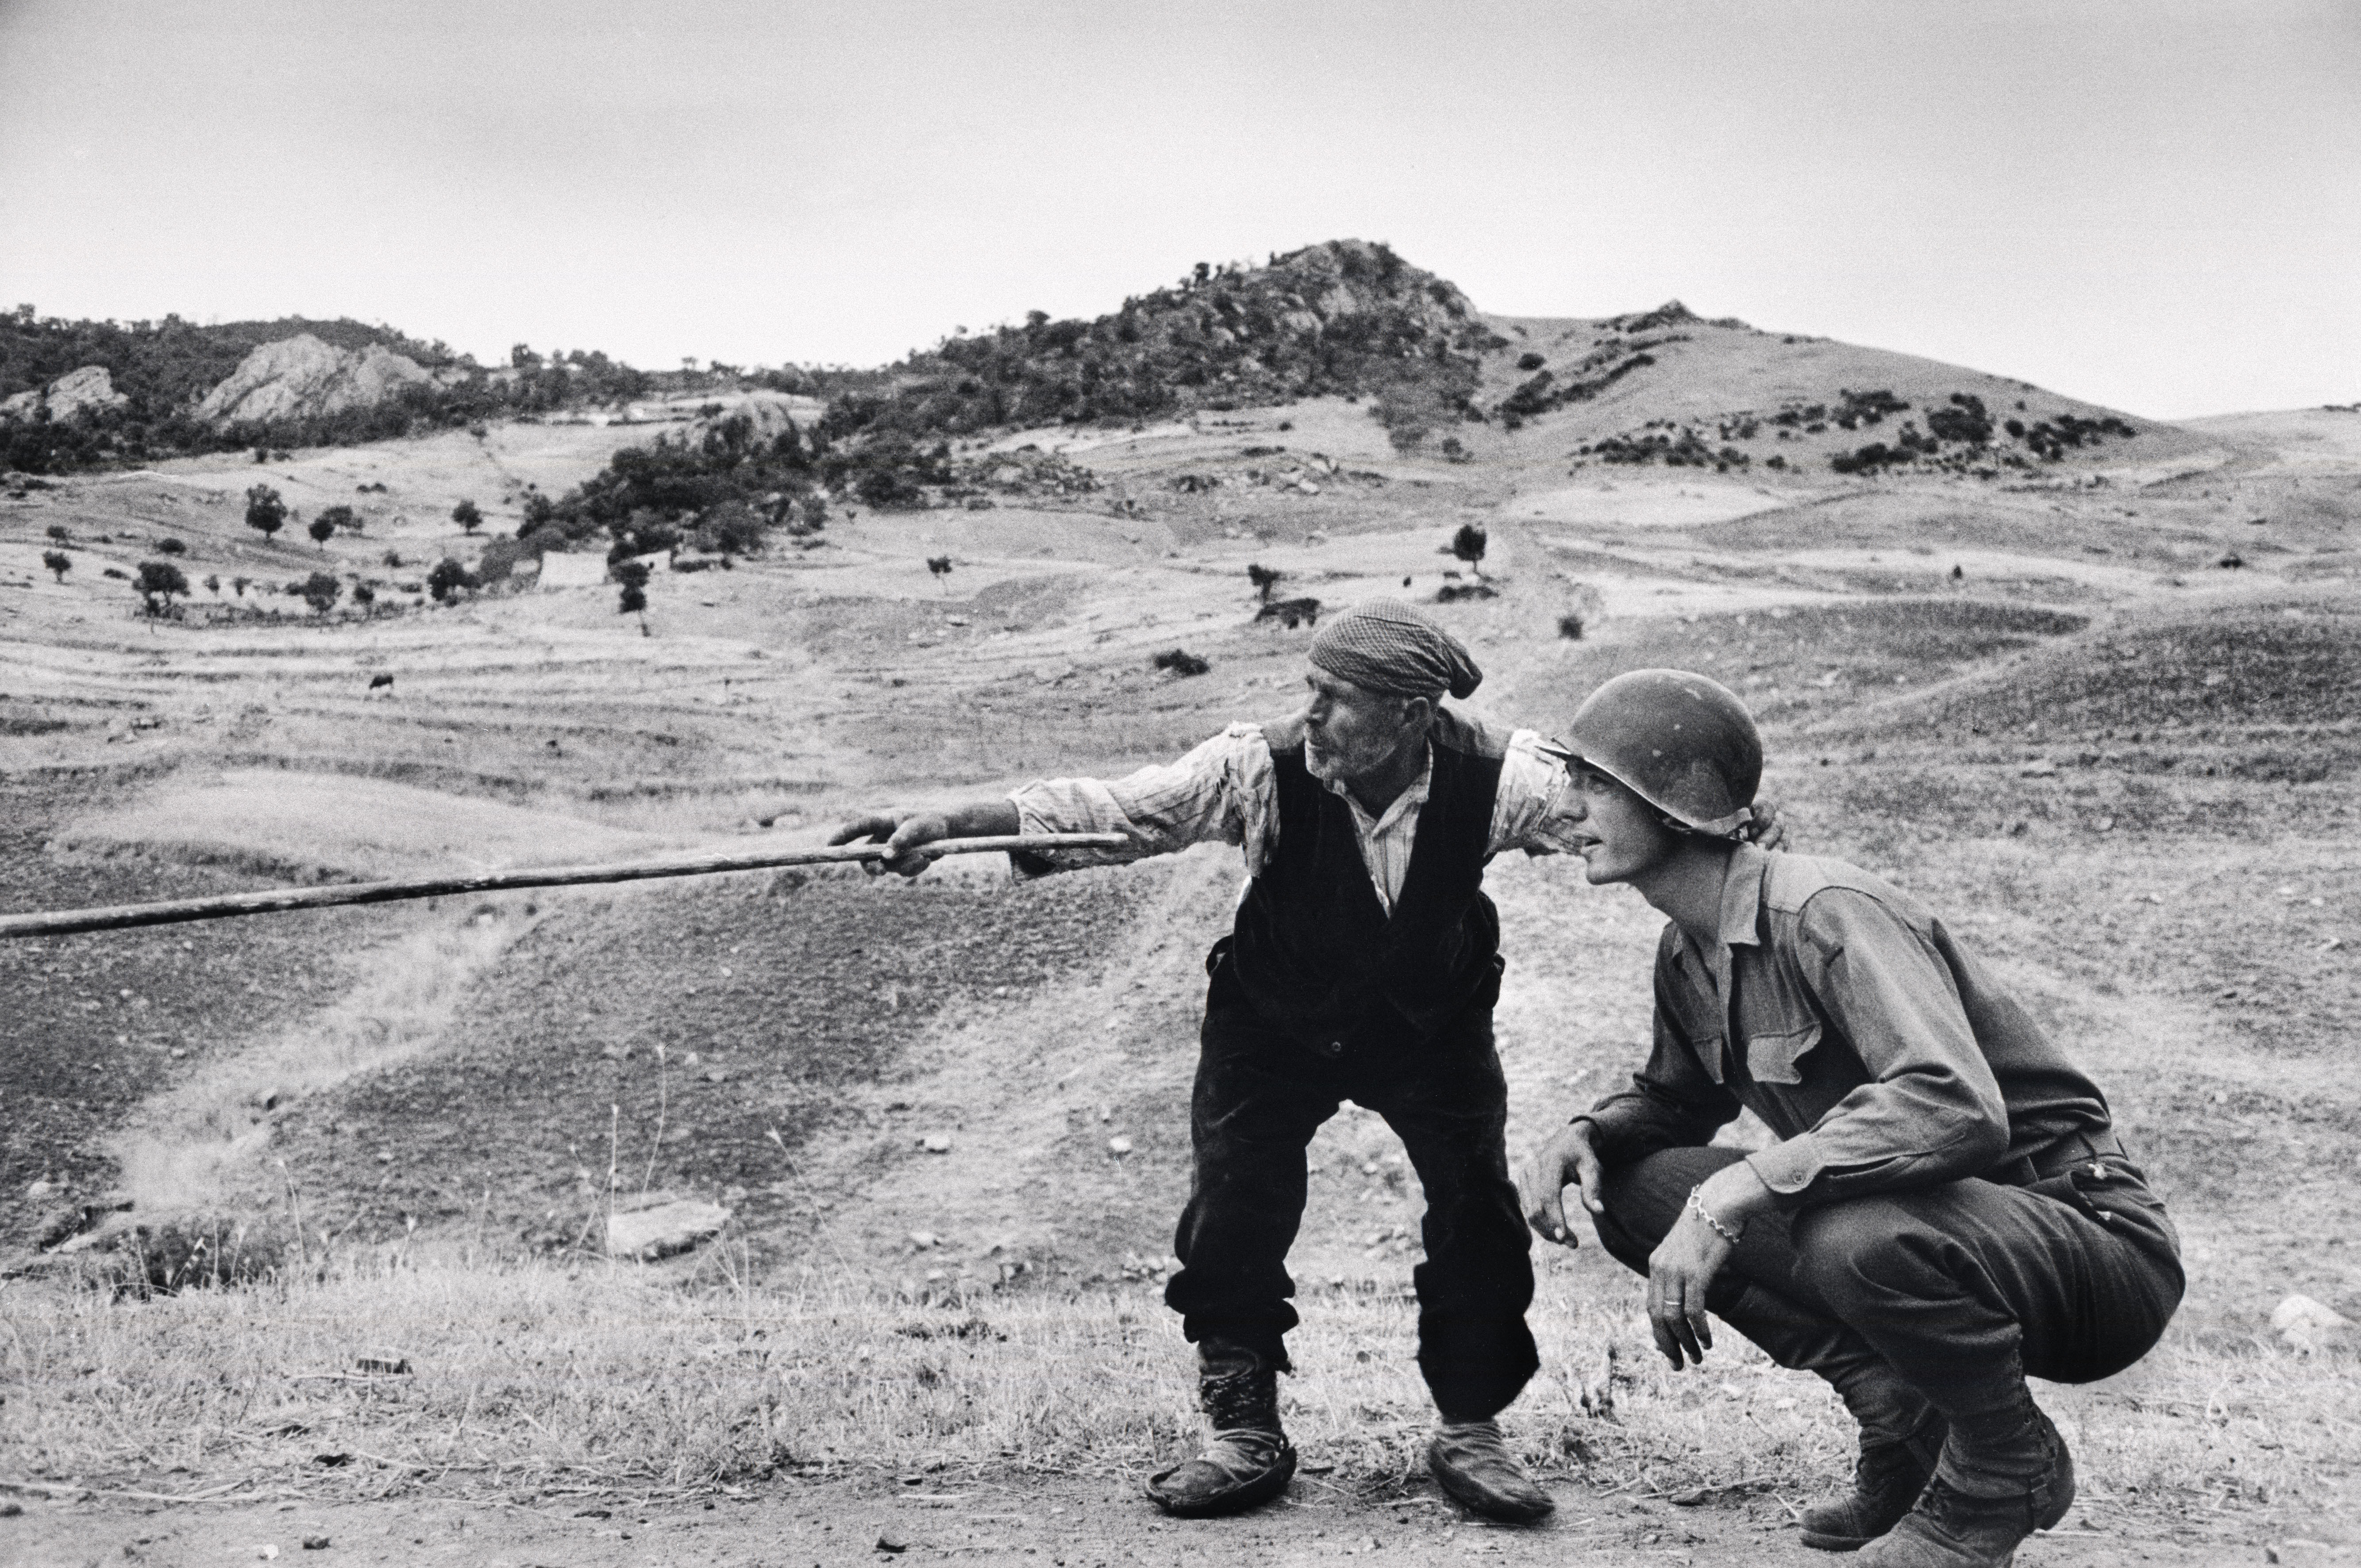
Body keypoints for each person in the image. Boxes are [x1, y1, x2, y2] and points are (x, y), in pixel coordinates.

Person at [831, 600, 1738, 1524]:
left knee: (1474, 1205)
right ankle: (1243, 1428)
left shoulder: (1500, 774)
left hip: (1428, 1022)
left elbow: (1617, 812)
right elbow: (1117, 812)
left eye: (1336, 700)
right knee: (1236, 1203)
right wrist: (947, 822)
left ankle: (1470, 1427)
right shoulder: (1254, 767)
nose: (1310, 716)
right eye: (1309, 690)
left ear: (1412, 715)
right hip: (1272, 1021)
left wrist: (1730, 839)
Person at [1519, 670, 2183, 1568]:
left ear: (1673, 805)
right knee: (1636, 1188)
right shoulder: (1688, 947)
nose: (1567, 806)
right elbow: (1676, 1101)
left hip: (2086, 1245)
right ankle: (1903, 1422)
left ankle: (2003, 1468)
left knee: (1845, 1228)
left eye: (1594, 783)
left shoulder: (1822, 910)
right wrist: (1588, 1132)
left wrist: (1740, 1187)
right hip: (1940, 1232)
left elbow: (1952, 1105)